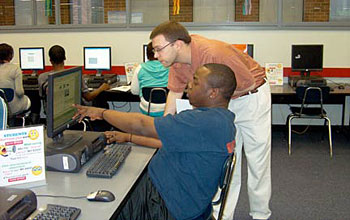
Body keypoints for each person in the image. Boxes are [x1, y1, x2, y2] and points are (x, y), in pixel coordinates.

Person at [73, 63, 237, 220]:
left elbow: (142, 125)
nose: (189, 85)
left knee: (104, 206)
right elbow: (167, 144)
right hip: (179, 197)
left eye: (195, 81)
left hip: (166, 205)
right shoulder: (220, 120)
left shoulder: (202, 122)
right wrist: (128, 138)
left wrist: (102, 113)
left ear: (213, 93)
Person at [150, 21, 271, 220]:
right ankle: (223, 215)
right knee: (225, 159)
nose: (156, 55)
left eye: (158, 49)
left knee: (257, 161)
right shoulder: (177, 62)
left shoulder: (214, 53)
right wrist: (165, 129)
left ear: (177, 44)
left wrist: (213, 103)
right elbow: (175, 92)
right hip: (221, 102)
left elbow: (247, 82)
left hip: (250, 96)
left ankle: (260, 214)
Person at [38, 45, 111, 131]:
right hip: (74, 112)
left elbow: (42, 96)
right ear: (65, 58)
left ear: (50, 60)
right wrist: (101, 88)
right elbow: (88, 97)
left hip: (54, 115)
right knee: (102, 101)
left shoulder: (42, 77)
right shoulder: (75, 75)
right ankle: (102, 130)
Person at [130, 42, 169, 117]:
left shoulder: (140, 68)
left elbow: (134, 91)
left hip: (147, 108)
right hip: (167, 107)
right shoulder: (171, 67)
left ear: (147, 54)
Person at [0, 43, 31, 123]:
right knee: (30, 99)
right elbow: (20, 92)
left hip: (1, 106)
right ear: (10, 55)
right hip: (13, 108)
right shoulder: (15, 69)